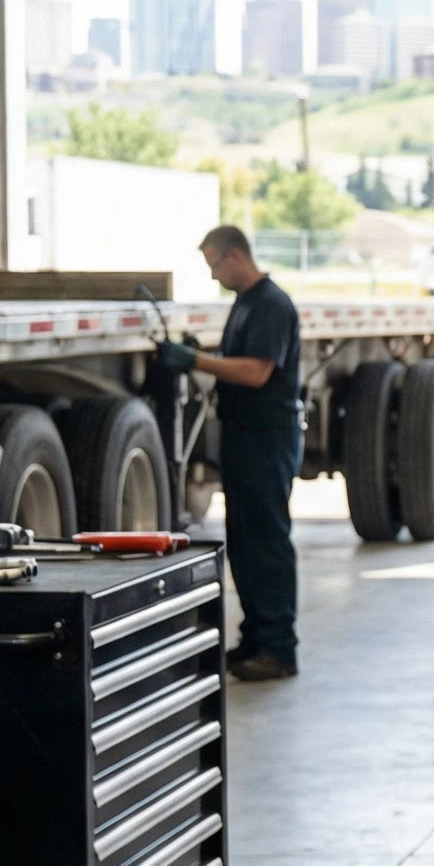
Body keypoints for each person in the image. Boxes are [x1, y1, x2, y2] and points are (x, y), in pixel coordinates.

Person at [157, 225, 304, 682]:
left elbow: (258, 372)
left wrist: (194, 362)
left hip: (266, 437)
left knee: (267, 542)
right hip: (244, 437)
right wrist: (205, 353)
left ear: (235, 255)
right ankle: (256, 640)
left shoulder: (271, 305)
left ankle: (279, 648)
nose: (214, 275)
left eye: (214, 265)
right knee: (244, 544)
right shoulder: (246, 304)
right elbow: (237, 357)